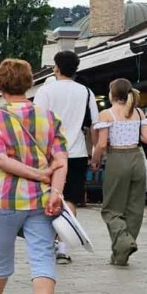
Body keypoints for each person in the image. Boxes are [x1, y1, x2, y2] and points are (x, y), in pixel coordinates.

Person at [0, 59, 68, 294]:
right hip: (42, 201)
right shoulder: (49, 118)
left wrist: (36, 174)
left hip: (6, 198)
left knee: (0, 252)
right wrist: (54, 190)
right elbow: (62, 161)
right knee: (42, 255)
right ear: (30, 83)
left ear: (0, 85)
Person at [33, 50, 99, 263]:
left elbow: (38, 123)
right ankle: (63, 247)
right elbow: (94, 126)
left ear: (56, 67)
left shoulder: (46, 90)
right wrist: (95, 150)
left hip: (49, 153)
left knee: (47, 197)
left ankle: (47, 242)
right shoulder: (86, 92)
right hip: (77, 151)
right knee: (70, 199)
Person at [91, 78, 147, 266]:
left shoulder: (107, 114)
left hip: (117, 158)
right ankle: (121, 253)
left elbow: (101, 144)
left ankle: (124, 242)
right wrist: (135, 131)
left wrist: (95, 160)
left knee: (111, 208)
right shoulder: (139, 112)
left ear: (112, 94)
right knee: (134, 208)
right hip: (136, 159)